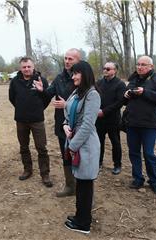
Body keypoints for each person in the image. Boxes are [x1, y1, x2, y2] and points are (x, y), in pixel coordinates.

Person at [60, 61, 101, 234]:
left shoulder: (93, 95)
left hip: (86, 146)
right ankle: (79, 216)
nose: (73, 76)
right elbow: (68, 113)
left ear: (85, 74)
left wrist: (72, 146)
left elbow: (87, 125)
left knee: (85, 185)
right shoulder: (77, 92)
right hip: (74, 142)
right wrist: (65, 125)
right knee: (80, 183)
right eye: (72, 73)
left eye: (77, 73)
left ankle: (84, 224)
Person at [36, 48, 81, 197]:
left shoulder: (83, 77)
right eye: (66, 58)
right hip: (62, 124)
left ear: (78, 60)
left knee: (81, 158)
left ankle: (83, 190)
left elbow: (86, 101)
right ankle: (70, 186)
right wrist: (42, 91)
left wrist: (66, 105)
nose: (67, 61)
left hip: (79, 126)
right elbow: (49, 94)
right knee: (66, 155)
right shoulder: (59, 78)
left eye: (71, 59)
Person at [123, 56, 156, 194]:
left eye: (143, 64)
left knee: (149, 154)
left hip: (149, 124)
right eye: (138, 64)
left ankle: (154, 181)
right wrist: (126, 95)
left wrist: (145, 92)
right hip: (132, 123)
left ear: (151, 67)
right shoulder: (133, 79)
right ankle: (138, 179)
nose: (140, 67)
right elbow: (125, 100)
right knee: (133, 152)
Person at [9, 57, 52, 187]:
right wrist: (22, 108)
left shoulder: (41, 80)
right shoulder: (15, 81)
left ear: (33, 67)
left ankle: (45, 174)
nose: (26, 69)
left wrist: (38, 108)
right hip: (21, 120)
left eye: (29, 66)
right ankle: (27, 170)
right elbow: (12, 98)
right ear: (20, 68)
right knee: (23, 147)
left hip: (37, 120)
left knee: (41, 148)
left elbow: (47, 98)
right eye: (24, 67)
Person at [96, 62, 126, 174]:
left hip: (113, 119)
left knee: (115, 142)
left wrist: (104, 111)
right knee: (99, 142)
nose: (105, 70)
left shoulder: (120, 84)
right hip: (98, 119)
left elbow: (120, 102)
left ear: (115, 70)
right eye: (104, 68)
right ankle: (98, 163)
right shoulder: (98, 83)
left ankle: (117, 164)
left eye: (108, 69)